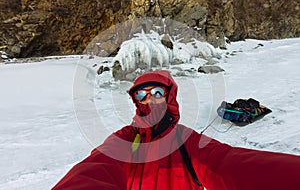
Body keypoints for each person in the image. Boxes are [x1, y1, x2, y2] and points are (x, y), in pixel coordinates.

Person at [52, 70, 300, 190]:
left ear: (170, 96)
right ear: (136, 100)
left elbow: (229, 164)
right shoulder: (126, 139)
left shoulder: (186, 141)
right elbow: (95, 169)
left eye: (158, 92)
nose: (150, 99)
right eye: (143, 94)